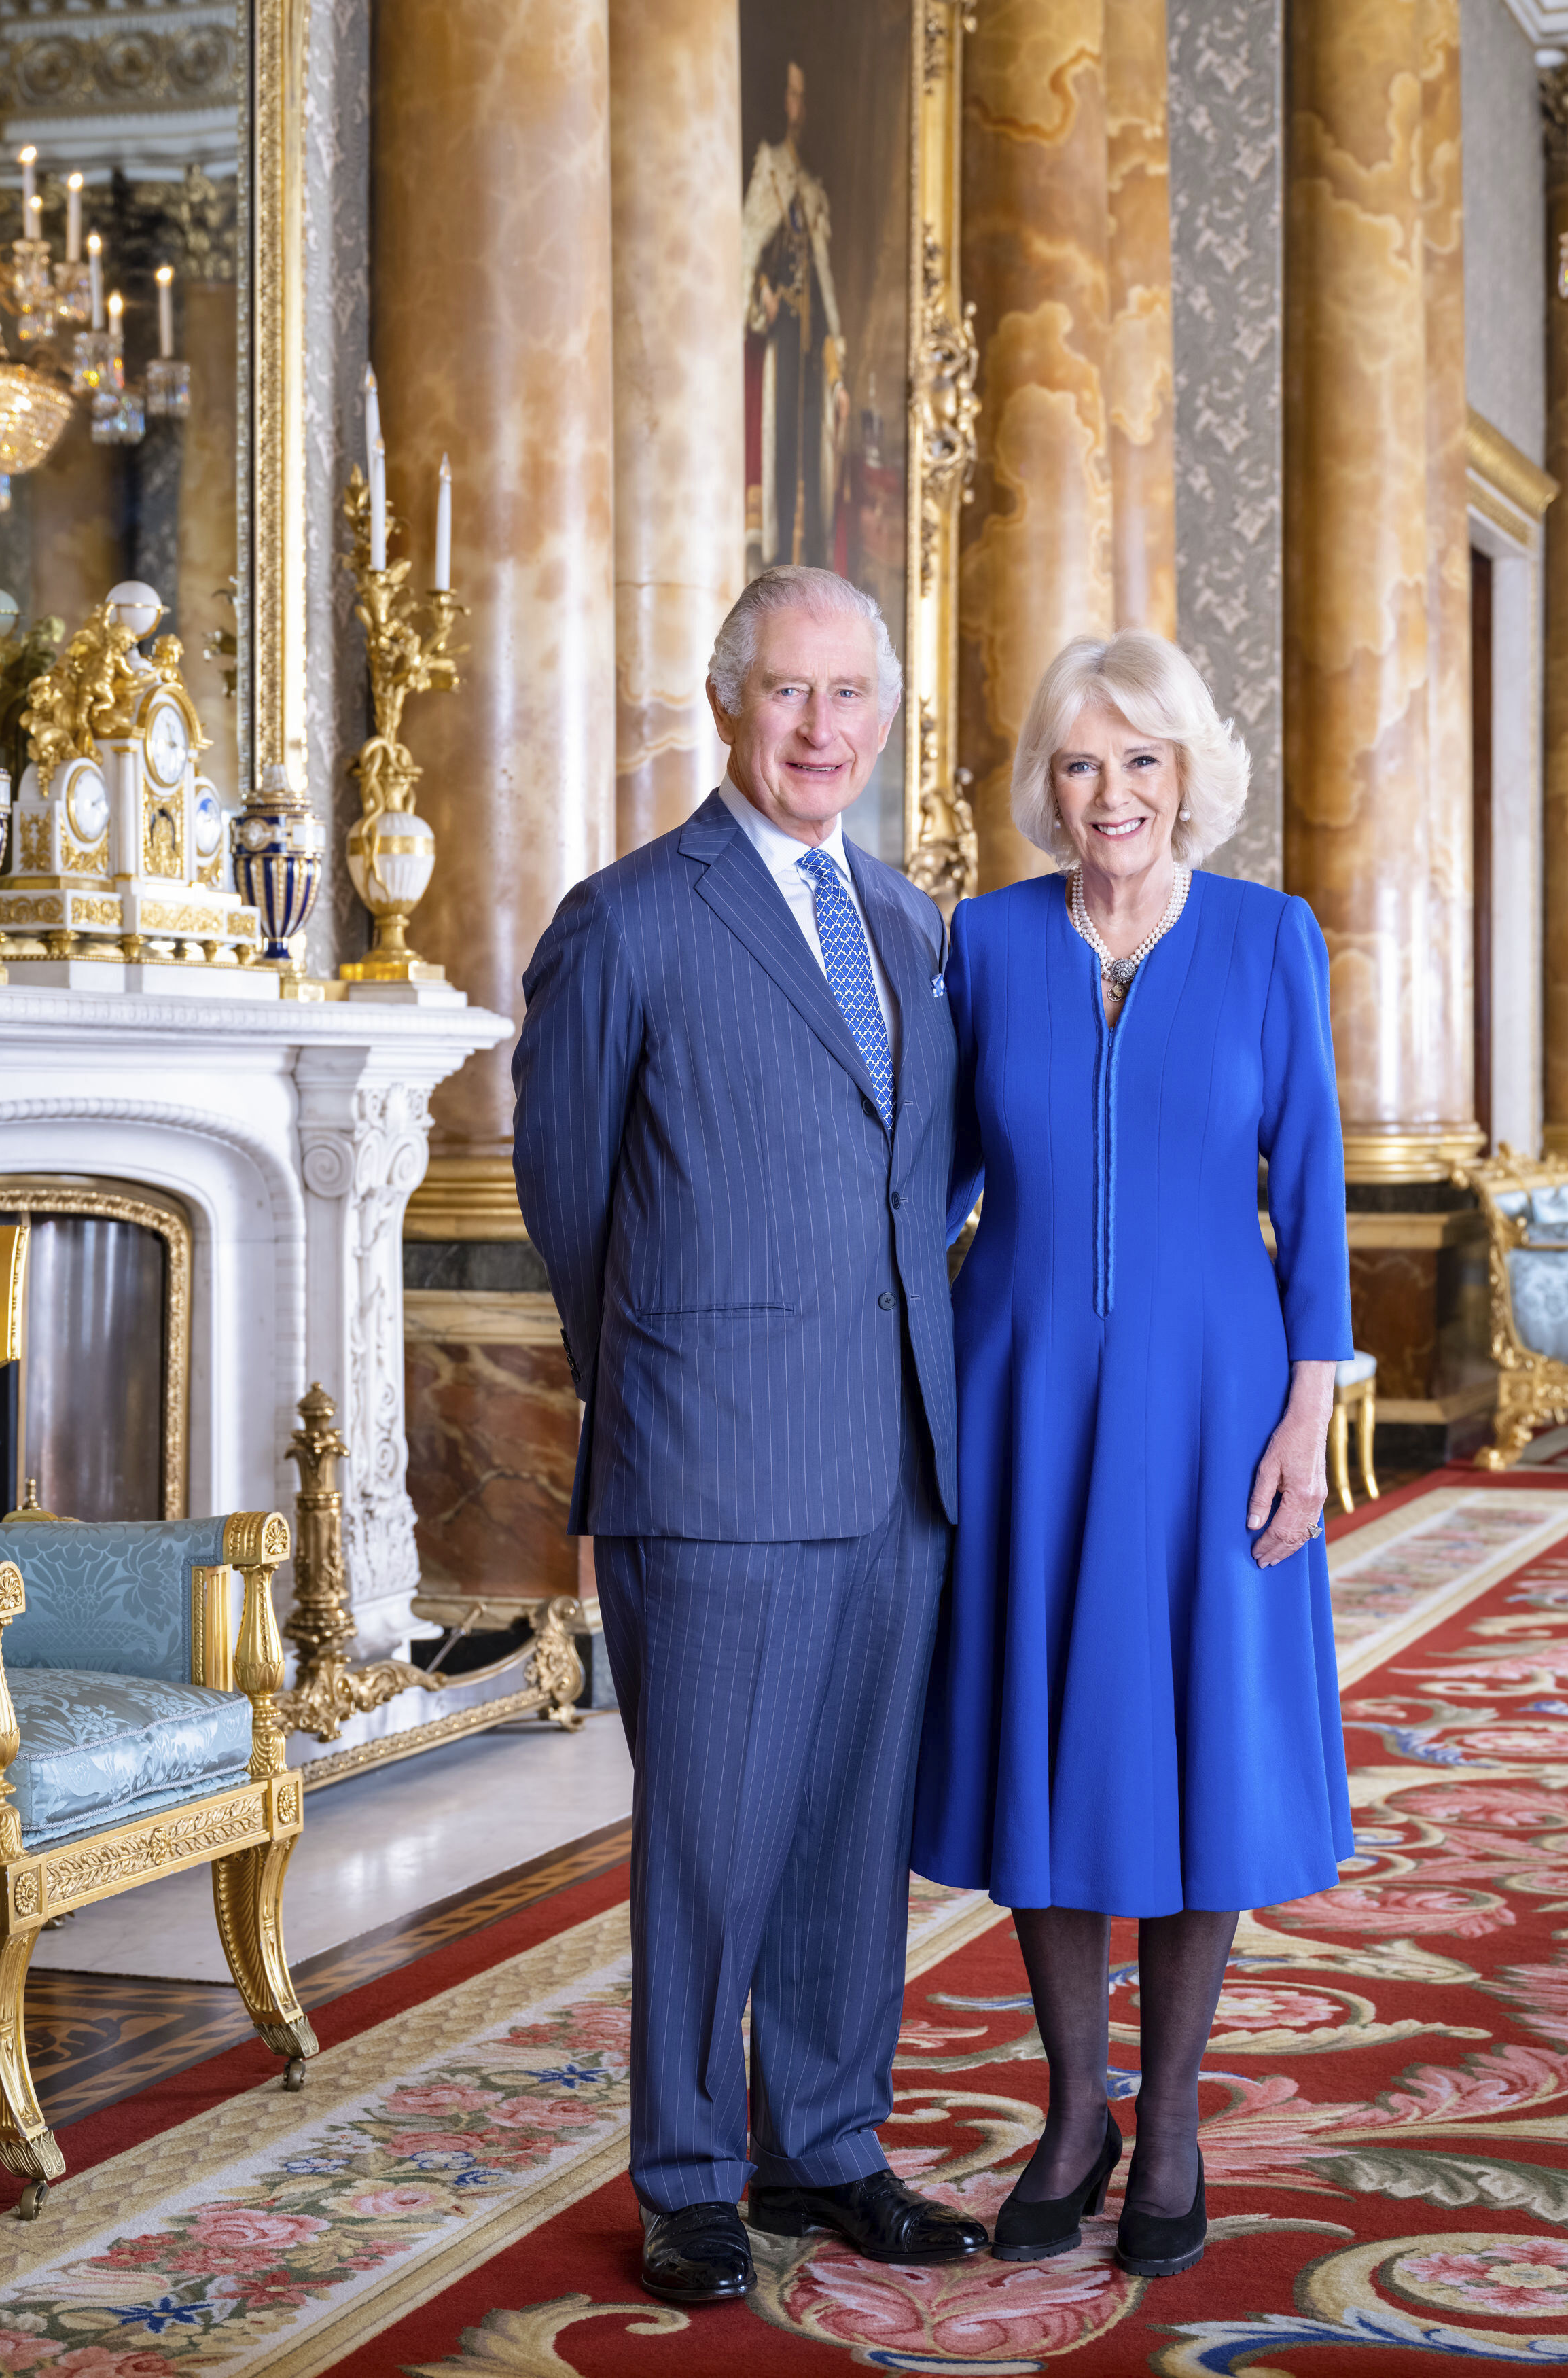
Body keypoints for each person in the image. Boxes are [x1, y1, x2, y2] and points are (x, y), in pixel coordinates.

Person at [513, 566, 986, 2307]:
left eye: (850, 695)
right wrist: (671, 1384)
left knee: (857, 1830)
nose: (819, 729)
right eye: (788, 692)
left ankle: (831, 2144)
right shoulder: (628, 919)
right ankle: (694, 2175)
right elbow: (570, 1207)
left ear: (881, 712)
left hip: (898, 1465)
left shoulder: (912, 923)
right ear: (727, 702)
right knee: (708, 1840)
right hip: (710, 1463)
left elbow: (925, 1179)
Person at [911, 631, 1355, 2282]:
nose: (1116, 796)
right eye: (1086, 765)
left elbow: (1307, 1192)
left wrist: (1309, 1420)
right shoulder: (987, 943)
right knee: (1049, 1738)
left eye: (1145, 762)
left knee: (1198, 1745)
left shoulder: (1265, 940)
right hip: (1020, 1392)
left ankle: (1168, 2120)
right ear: (1051, 783)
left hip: (1218, 1402)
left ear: (1189, 777)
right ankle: (1073, 2107)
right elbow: (932, 1189)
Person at [743, 60, 849, 570]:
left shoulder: (811, 186)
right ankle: (778, 562)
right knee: (780, 451)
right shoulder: (769, 170)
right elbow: (746, 253)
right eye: (791, 95)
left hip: (809, 345)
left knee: (812, 453)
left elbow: (824, 286)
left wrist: (837, 376)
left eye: (804, 97)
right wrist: (760, 288)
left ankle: (809, 568)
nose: (798, 108)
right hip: (779, 335)